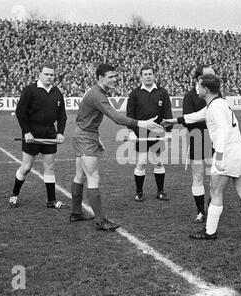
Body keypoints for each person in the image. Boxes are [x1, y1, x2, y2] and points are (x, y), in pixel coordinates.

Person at [162, 74, 241, 241]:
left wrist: (219, 157)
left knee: (215, 191)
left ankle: (210, 232)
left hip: (227, 152)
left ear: (205, 89)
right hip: (240, 149)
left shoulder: (215, 107)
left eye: (199, 86)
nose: (196, 89)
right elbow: (198, 115)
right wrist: (174, 120)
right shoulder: (219, 103)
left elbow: (222, 132)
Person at [70, 63, 164, 231]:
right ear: (100, 78)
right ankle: (100, 221)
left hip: (84, 134)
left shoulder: (96, 92)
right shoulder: (97, 94)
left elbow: (84, 117)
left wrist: (95, 135)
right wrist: (142, 123)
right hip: (85, 137)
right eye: (111, 77)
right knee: (93, 177)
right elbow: (115, 117)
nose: (115, 79)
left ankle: (76, 213)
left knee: (80, 176)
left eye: (115, 76)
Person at [9, 63, 69, 209]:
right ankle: (14, 195)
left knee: (50, 167)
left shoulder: (57, 92)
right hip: (32, 135)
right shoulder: (29, 90)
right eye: (46, 74)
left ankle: (51, 201)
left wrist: (60, 132)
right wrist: (26, 132)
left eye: (52, 75)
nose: (49, 77)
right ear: (39, 75)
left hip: (49, 135)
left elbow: (62, 116)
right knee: (27, 166)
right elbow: (20, 113)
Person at [126, 65, 173, 202]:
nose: (148, 76)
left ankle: (161, 191)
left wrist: (169, 131)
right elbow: (129, 115)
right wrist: (131, 132)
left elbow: (167, 113)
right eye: (145, 74)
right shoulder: (134, 93)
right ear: (141, 77)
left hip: (157, 132)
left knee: (158, 162)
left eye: (150, 74)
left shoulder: (162, 93)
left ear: (154, 75)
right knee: (141, 162)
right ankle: (139, 192)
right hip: (140, 132)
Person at [182, 65, 215, 223]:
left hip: (214, 139)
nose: (213, 78)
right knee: (198, 176)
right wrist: (206, 118)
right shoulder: (189, 96)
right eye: (209, 75)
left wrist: (198, 118)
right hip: (197, 139)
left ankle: (212, 204)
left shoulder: (217, 94)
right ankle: (201, 211)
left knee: (215, 177)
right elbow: (187, 120)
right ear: (199, 79)